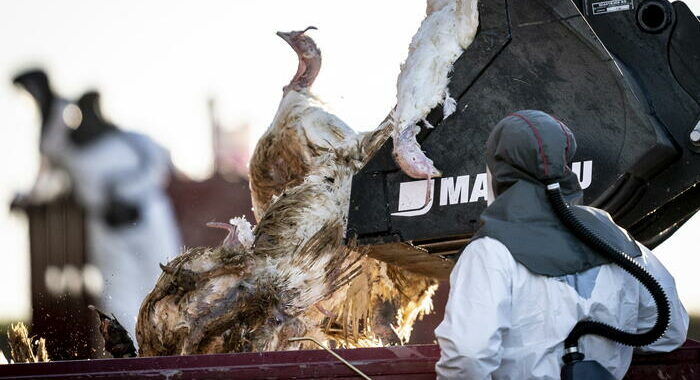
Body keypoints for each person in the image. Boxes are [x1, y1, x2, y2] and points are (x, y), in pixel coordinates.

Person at [434, 110, 688, 379]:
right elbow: (670, 333)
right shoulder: (614, 237)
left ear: (498, 170)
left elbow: (468, 356)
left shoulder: (490, 250)